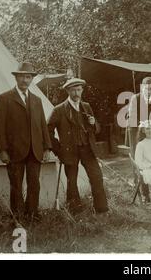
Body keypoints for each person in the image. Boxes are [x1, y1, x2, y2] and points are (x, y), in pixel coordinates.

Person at [0, 62, 52, 221]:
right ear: (16, 78)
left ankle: (32, 215)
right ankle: (17, 218)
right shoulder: (4, 98)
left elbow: (42, 125)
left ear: (32, 78)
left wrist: (46, 147)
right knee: (16, 186)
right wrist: (2, 150)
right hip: (14, 151)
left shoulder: (37, 100)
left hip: (35, 150)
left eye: (28, 77)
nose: (25, 80)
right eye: (21, 76)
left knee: (34, 185)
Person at [47, 77, 109, 214]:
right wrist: (58, 149)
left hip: (87, 148)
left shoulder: (86, 106)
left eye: (79, 90)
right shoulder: (59, 110)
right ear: (68, 91)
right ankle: (76, 211)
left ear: (82, 90)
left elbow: (96, 130)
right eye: (73, 90)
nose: (76, 93)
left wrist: (94, 124)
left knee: (96, 177)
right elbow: (47, 131)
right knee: (72, 181)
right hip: (69, 151)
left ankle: (102, 210)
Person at [127, 76, 151, 202]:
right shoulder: (135, 98)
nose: (148, 91)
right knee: (139, 162)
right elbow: (132, 118)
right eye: (146, 89)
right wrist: (144, 126)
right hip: (137, 133)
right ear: (142, 88)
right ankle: (143, 193)